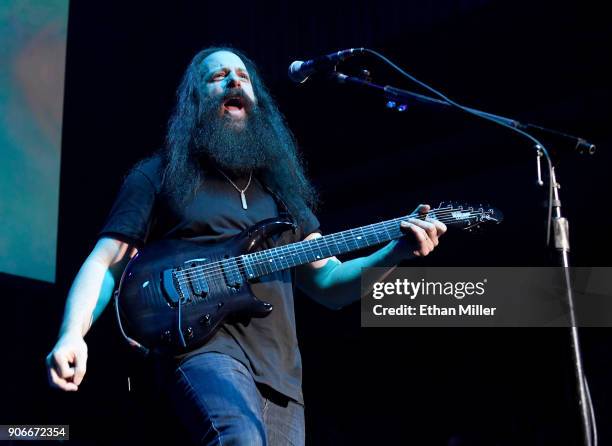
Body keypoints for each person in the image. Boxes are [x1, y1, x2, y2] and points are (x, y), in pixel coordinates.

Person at [45, 46, 447, 445]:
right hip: (202, 349)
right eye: (217, 77)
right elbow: (105, 263)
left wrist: (395, 252)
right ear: (195, 99)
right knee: (240, 438)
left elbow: (329, 283)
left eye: (243, 77)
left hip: (280, 374)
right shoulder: (160, 174)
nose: (234, 81)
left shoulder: (282, 190)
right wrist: (72, 334)